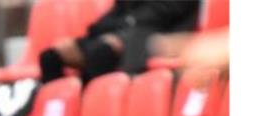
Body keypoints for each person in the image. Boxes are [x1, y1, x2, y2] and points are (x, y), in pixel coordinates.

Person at [39, 0, 200, 85]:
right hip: (125, 30)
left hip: (163, 34)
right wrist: (97, 28)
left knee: (102, 51)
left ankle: (89, 111)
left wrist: (126, 22)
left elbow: (166, 11)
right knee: (51, 56)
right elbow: (119, 11)